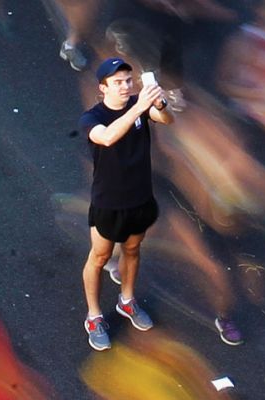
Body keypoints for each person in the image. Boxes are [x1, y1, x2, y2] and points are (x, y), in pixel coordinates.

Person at [78, 57, 174, 351]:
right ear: (102, 87)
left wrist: (158, 105)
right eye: (118, 82)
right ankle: (94, 317)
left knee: (132, 249)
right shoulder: (91, 118)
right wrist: (139, 107)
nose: (125, 86)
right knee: (100, 257)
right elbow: (106, 138)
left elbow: (166, 120)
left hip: (140, 198)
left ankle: (127, 301)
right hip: (110, 202)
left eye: (128, 81)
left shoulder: (139, 107)